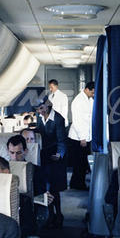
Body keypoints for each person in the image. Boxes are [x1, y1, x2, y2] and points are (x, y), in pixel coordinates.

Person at [35, 97, 68, 227]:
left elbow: (62, 140)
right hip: (43, 155)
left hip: (54, 156)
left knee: (54, 188)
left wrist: (59, 154)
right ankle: (50, 214)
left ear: (48, 106)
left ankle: (58, 214)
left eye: (41, 108)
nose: (40, 111)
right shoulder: (39, 117)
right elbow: (39, 133)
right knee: (45, 186)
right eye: (38, 109)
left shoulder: (58, 119)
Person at [67, 81, 94, 190]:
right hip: (78, 137)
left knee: (82, 162)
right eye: (92, 92)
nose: (93, 94)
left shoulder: (89, 100)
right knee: (79, 163)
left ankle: (77, 183)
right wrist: (82, 137)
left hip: (86, 136)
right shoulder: (78, 101)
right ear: (86, 89)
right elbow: (78, 121)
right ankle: (78, 184)